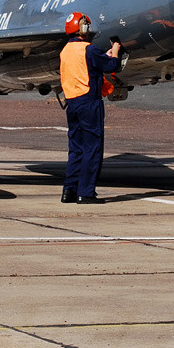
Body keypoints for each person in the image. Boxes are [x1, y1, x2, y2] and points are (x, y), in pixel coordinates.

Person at [59, 12, 122, 204]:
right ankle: (85, 193)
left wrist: (104, 55)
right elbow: (113, 65)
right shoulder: (89, 49)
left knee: (76, 148)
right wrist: (116, 50)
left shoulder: (65, 51)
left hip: (72, 103)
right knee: (92, 148)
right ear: (82, 28)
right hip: (89, 103)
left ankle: (69, 191)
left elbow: (89, 64)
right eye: (86, 25)